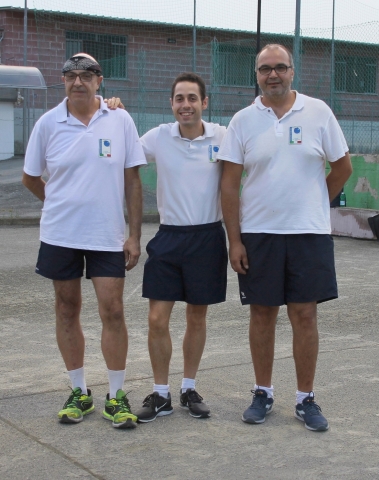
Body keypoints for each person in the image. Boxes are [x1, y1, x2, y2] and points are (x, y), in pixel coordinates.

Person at [218, 44, 353, 432]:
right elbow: (229, 186)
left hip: (308, 235)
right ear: (257, 75)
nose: (272, 74)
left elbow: (342, 168)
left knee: (305, 314)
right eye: (265, 69)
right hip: (258, 235)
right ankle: (262, 392)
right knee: (262, 314)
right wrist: (235, 240)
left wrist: (314, 202)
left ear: (292, 72)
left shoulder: (318, 112)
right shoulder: (243, 120)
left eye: (280, 67)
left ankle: (305, 398)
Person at [22, 53, 147, 429]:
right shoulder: (48, 124)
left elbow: (132, 181)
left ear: (100, 79)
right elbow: (31, 178)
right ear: (63, 81)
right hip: (61, 234)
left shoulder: (120, 119)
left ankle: (116, 395)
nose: (78, 82)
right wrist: (58, 201)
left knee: (113, 311)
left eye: (86, 75)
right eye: (71, 75)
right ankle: (78, 391)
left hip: (106, 235)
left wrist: (134, 236)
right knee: (66, 308)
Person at [132, 72, 228, 423]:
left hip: (208, 237)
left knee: (196, 316)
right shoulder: (158, 137)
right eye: (178, 99)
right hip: (169, 237)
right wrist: (111, 109)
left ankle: (188, 388)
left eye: (192, 98)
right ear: (171, 104)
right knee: (157, 318)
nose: (185, 105)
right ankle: (160, 394)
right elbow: (123, 151)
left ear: (204, 103)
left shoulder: (222, 136)